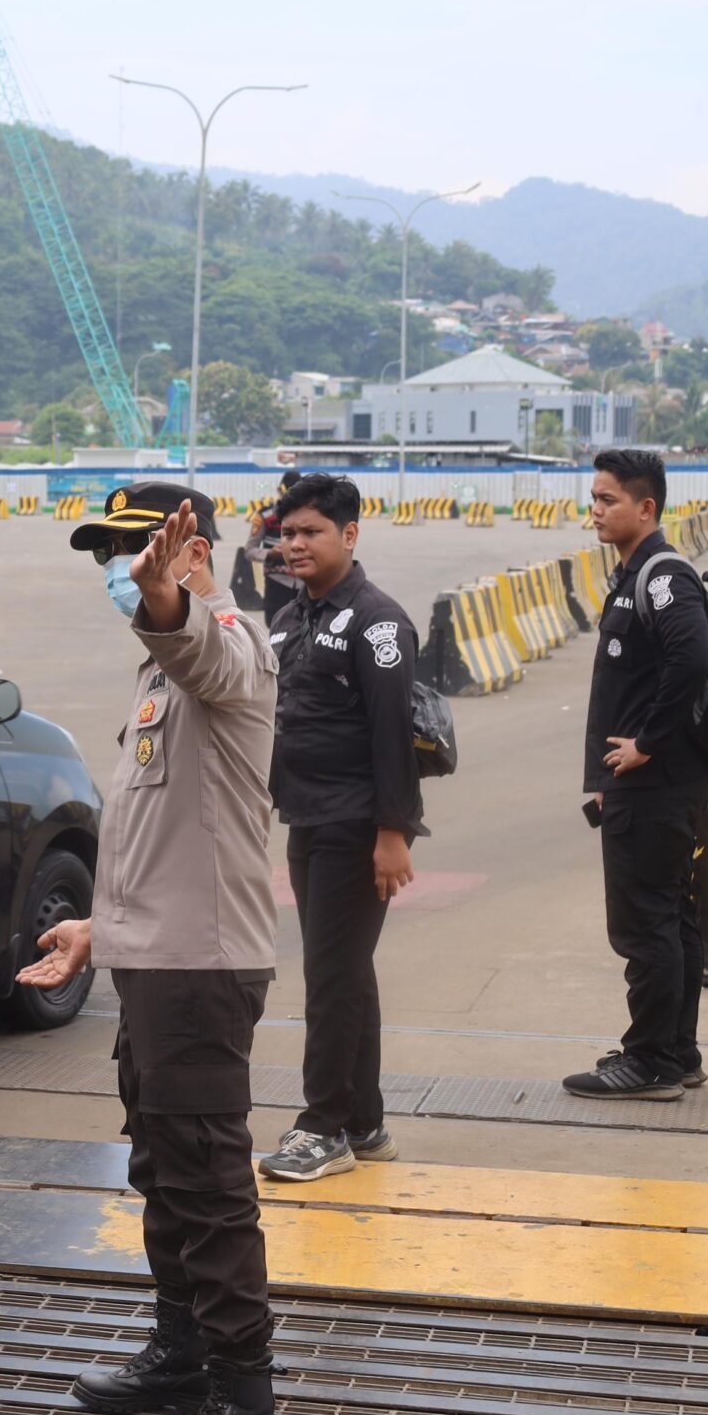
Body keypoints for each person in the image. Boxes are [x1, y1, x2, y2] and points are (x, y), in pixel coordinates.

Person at [18, 481, 290, 1415]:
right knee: (164, 1171)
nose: (120, 568)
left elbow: (203, 645)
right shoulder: (156, 674)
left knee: (211, 1191)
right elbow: (161, 832)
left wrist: (168, 601)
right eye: (113, 553)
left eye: (138, 549)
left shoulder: (228, 646)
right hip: (153, 960)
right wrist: (100, 924)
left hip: (201, 969)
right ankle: (180, 1350)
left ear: (191, 551)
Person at [255, 473, 424, 1183]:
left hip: (356, 827)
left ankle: (322, 1126)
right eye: (287, 533)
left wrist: (394, 833)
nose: (294, 545)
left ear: (349, 536)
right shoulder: (298, 615)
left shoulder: (378, 624)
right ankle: (365, 1119)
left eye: (310, 532)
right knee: (348, 974)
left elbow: (394, 735)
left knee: (330, 975)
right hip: (310, 816)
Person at [569, 448, 708, 1100]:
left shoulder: (661, 576)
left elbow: (692, 657)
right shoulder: (634, 575)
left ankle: (650, 1061)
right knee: (670, 917)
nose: (594, 511)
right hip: (650, 783)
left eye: (607, 500)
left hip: (656, 786)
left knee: (644, 922)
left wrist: (647, 745)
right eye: (593, 498)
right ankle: (676, 1052)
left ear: (645, 507)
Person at [250, 469, 304, 632]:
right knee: (276, 630)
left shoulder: (311, 516)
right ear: (280, 490)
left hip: (305, 584)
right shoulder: (266, 516)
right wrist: (270, 554)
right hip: (276, 584)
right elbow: (249, 550)